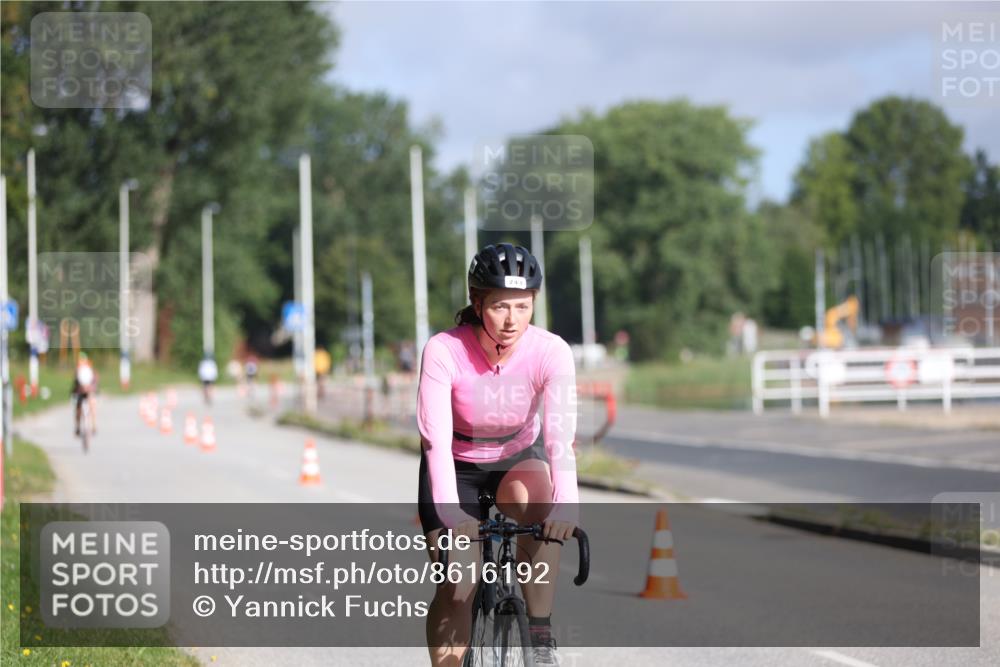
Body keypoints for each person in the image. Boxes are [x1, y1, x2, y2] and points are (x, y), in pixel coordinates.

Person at [418, 243, 579, 667]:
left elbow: (561, 437)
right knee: (458, 584)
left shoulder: (551, 351)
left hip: (516, 458)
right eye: (500, 307)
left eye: (523, 307)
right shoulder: (444, 350)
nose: (512, 321)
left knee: (541, 508)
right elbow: (434, 440)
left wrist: (568, 508)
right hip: (454, 465)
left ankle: (540, 632)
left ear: (534, 304)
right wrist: (454, 516)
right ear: (477, 302)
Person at [71, 352, 98, 436]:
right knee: (78, 409)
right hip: (80, 392)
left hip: (89, 392)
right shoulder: (78, 371)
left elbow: (95, 380)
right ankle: (78, 427)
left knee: (92, 405)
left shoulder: (90, 370)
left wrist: (91, 388)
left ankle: (94, 426)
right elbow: (75, 384)